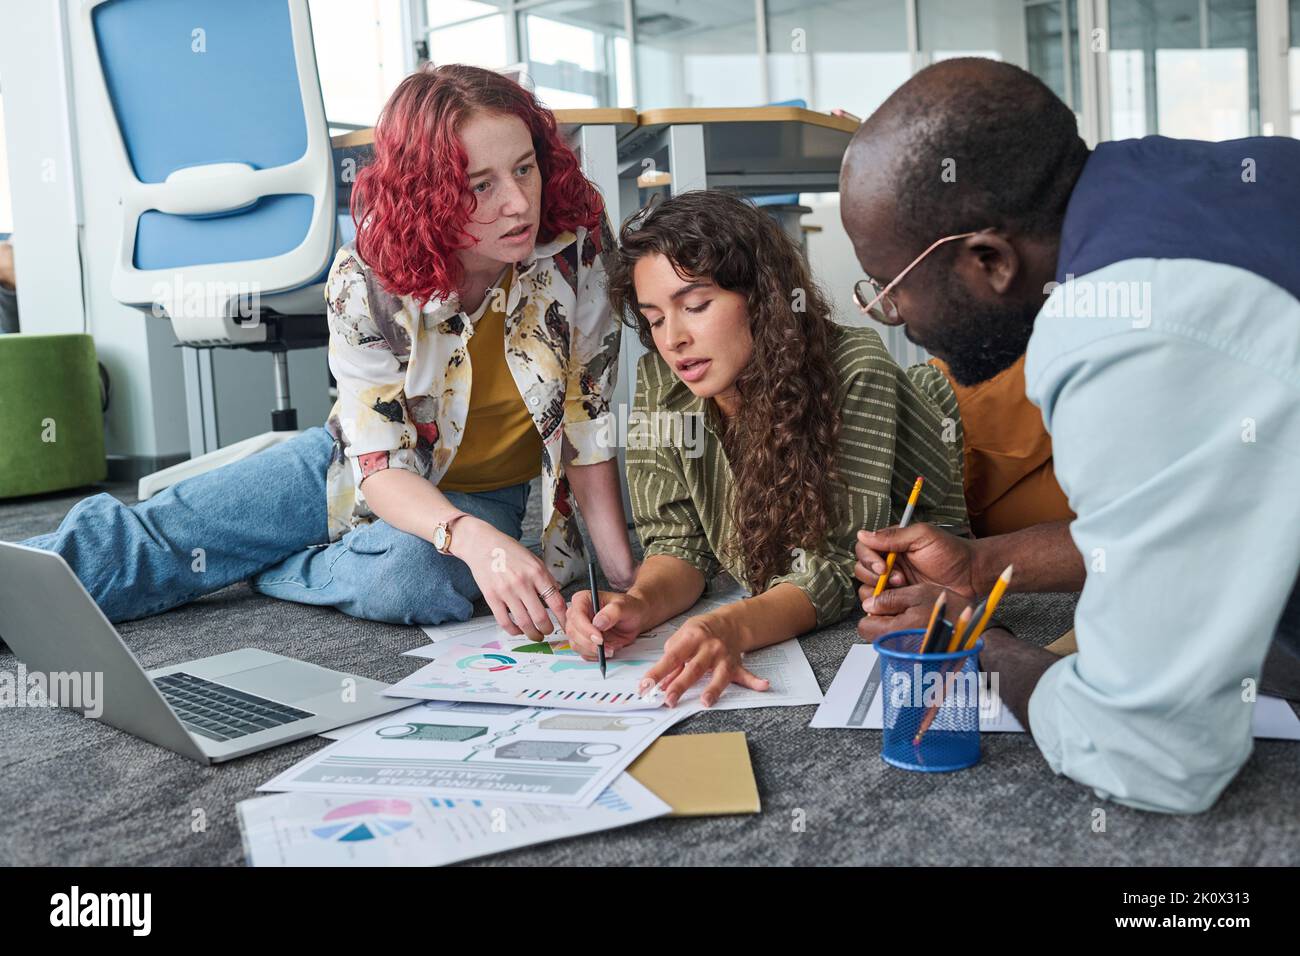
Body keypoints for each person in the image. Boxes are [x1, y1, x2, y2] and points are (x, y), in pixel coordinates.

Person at [22, 64, 635, 637]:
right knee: (155, 536)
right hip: (349, 465)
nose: (518, 203)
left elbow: (583, 415)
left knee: (414, 579)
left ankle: (268, 566)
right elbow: (380, 465)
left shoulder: (574, 247)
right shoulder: (365, 278)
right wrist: (473, 540)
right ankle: (12, 591)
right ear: (430, 195)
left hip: (481, 493)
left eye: (524, 169)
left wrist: (622, 579)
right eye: (481, 185)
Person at [841, 57, 1300, 812]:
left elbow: (1150, 755)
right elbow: (1178, 516)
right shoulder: (1172, 194)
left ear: (986, 259)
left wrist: (970, 641)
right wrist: (984, 565)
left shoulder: (1117, 324)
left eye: (889, 290)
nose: (896, 319)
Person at [566, 190, 969, 707]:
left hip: (973, 442)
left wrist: (731, 625)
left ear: (762, 298)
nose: (673, 339)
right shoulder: (661, 384)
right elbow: (678, 544)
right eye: (655, 318)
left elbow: (836, 569)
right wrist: (638, 604)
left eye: (695, 306)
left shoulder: (856, 370)